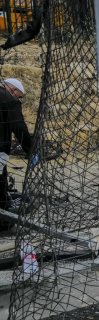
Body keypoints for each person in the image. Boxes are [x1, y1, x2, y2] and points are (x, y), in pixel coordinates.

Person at [0, 79, 34, 217]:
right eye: (18, 96)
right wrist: (31, 150)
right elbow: (19, 127)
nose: (17, 98)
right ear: (13, 90)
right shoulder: (9, 99)